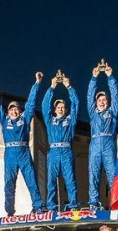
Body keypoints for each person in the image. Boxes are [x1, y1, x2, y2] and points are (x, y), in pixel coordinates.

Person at [0, 70, 44, 215]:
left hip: (24, 153)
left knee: (31, 180)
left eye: (16, 109)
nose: (14, 112)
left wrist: (37, 83)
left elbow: (31, 103)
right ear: (8, 112)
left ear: (20, 111)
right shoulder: (4, 119)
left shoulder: (25, 118)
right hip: (10, 154)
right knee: (9, 183)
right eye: (12, 110)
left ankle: (38, 207)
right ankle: (10, 211)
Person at [86, 62, 118, 208]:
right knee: (93, 175)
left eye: (104, 100)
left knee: (112, 175)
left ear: (108, 102)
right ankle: (93, 203)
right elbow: (89, 97)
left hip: (108, 143)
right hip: (95, 143)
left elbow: (116, 96)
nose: (101, 102)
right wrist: (94, 78)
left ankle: (117, 203)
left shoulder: (112, 112)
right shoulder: (93, 113)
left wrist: (110, 77)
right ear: (96, 102)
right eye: (99, 100)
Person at [42, 75, 79, 210]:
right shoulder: (50, 120)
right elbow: (44, 105)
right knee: (51, 181)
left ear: (66, 109)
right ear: (55, 109)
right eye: (58, 107)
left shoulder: (70, 120)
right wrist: (52, 86)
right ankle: (51, 206)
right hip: (53, 152)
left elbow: (76, 103)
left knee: (70, 180)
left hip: (66, 151)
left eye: (63, 107)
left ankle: (73, 205)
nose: (61, 109)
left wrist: (68, 86)